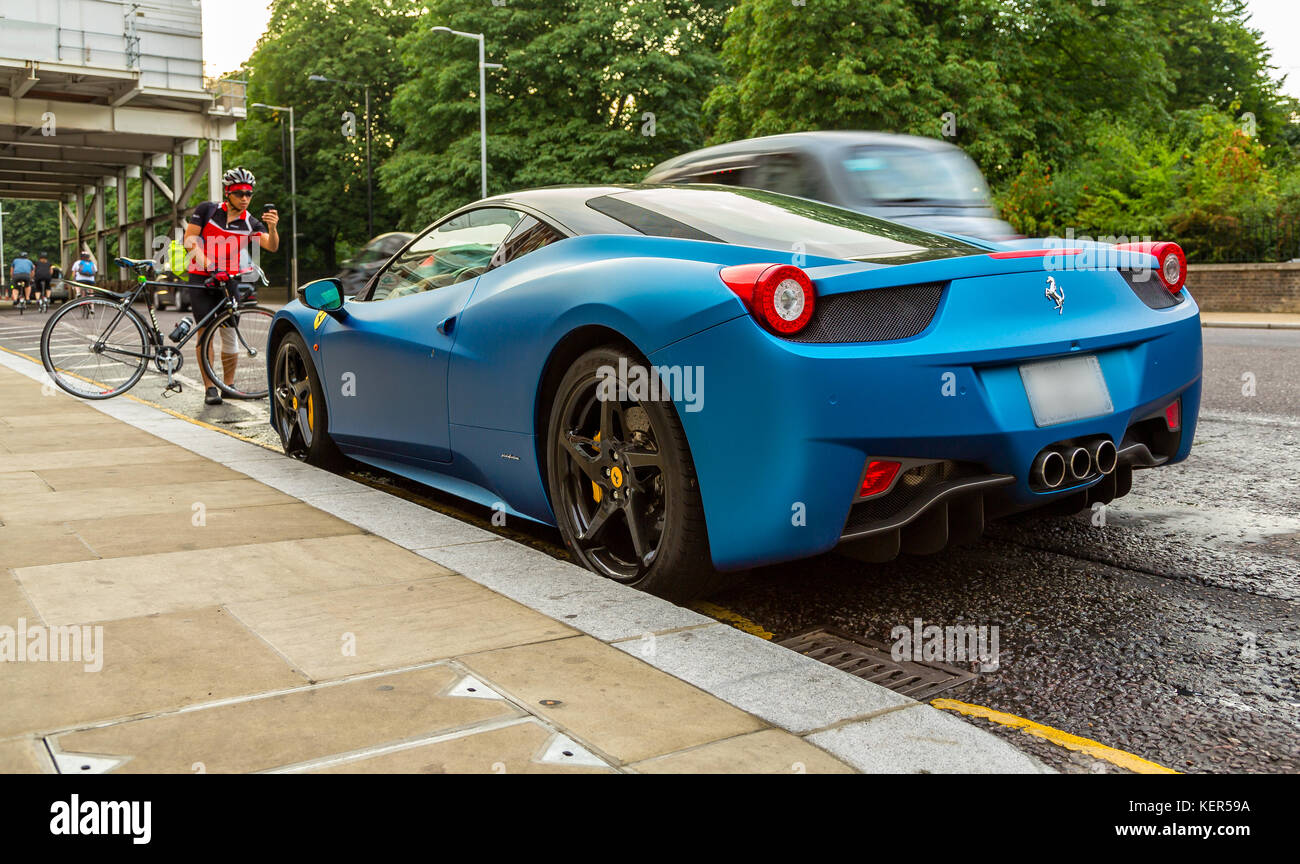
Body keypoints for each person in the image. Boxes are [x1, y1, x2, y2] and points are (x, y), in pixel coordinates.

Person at [183, 166, 279, 405]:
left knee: (229, 334)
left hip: (229, 279)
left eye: (249, 193)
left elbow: (271, 246)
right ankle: (210, 388)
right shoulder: (207, 210)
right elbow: (189, 241)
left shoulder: (250, 222)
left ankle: (228, 385)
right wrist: (210, 265)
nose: (245, 198)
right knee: (205, 334)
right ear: (228, 192)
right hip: (202, 277)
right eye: (239, 193)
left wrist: (273, 227)